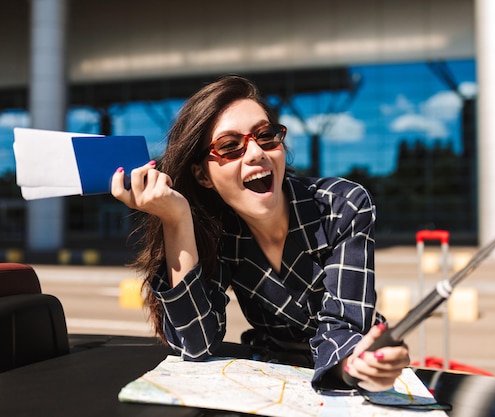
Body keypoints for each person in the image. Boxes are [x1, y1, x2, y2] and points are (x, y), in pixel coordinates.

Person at [111, 74, 410, 392]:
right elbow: (195, 343)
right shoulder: (220, 230)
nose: (256, 153)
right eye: (230, 147)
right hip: (274, 373)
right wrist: (177, 220)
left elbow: (344, 328)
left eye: (266, 136)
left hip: (353, 365)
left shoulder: (343, 205)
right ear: (202, 176)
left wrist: (359, 366)